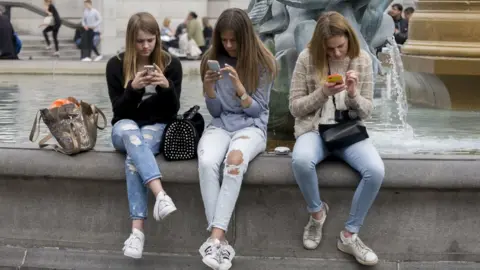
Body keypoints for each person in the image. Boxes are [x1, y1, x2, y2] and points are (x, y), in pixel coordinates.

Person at [289, 11, 384, 266]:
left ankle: (349, 235)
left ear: (349, 39)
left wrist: (352, 94)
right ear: (321, 46)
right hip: (314, 130)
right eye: (330, 49)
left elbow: (367, 110)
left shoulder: (362, 60)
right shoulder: (306, 59)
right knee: (300, 161)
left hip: (348, 131)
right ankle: (317, 213)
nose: (337, 54)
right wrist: (322, 92)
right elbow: (295, 108)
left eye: (341, 46)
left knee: (375, 170)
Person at [197, 8, 276, 270]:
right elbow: (216, 112)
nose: (228, 45)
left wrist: (240, 88)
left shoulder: (263, 63)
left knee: (233, 162)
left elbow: (258, 110)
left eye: (234, 40)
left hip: (251, 127)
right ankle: (222, 244)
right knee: (208, 162)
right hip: (220, 125)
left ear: (245, 38)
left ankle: (214, 238)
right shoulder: (212, 59)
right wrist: (209, 89)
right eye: (224, 40)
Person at [106, 11, 182, 259]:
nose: (146, 46)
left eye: (150, 40)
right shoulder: (116, 65)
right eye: (140, 41)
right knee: (130, 132)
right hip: (124, 126)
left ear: (157, 38)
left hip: (155, 126)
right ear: (131, 40)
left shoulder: (171, 64)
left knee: (133, 159)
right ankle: (160, 194)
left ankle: (137, 233)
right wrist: (134, 89)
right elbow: (119, 110)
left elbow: (172, 110)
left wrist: (165, 87)